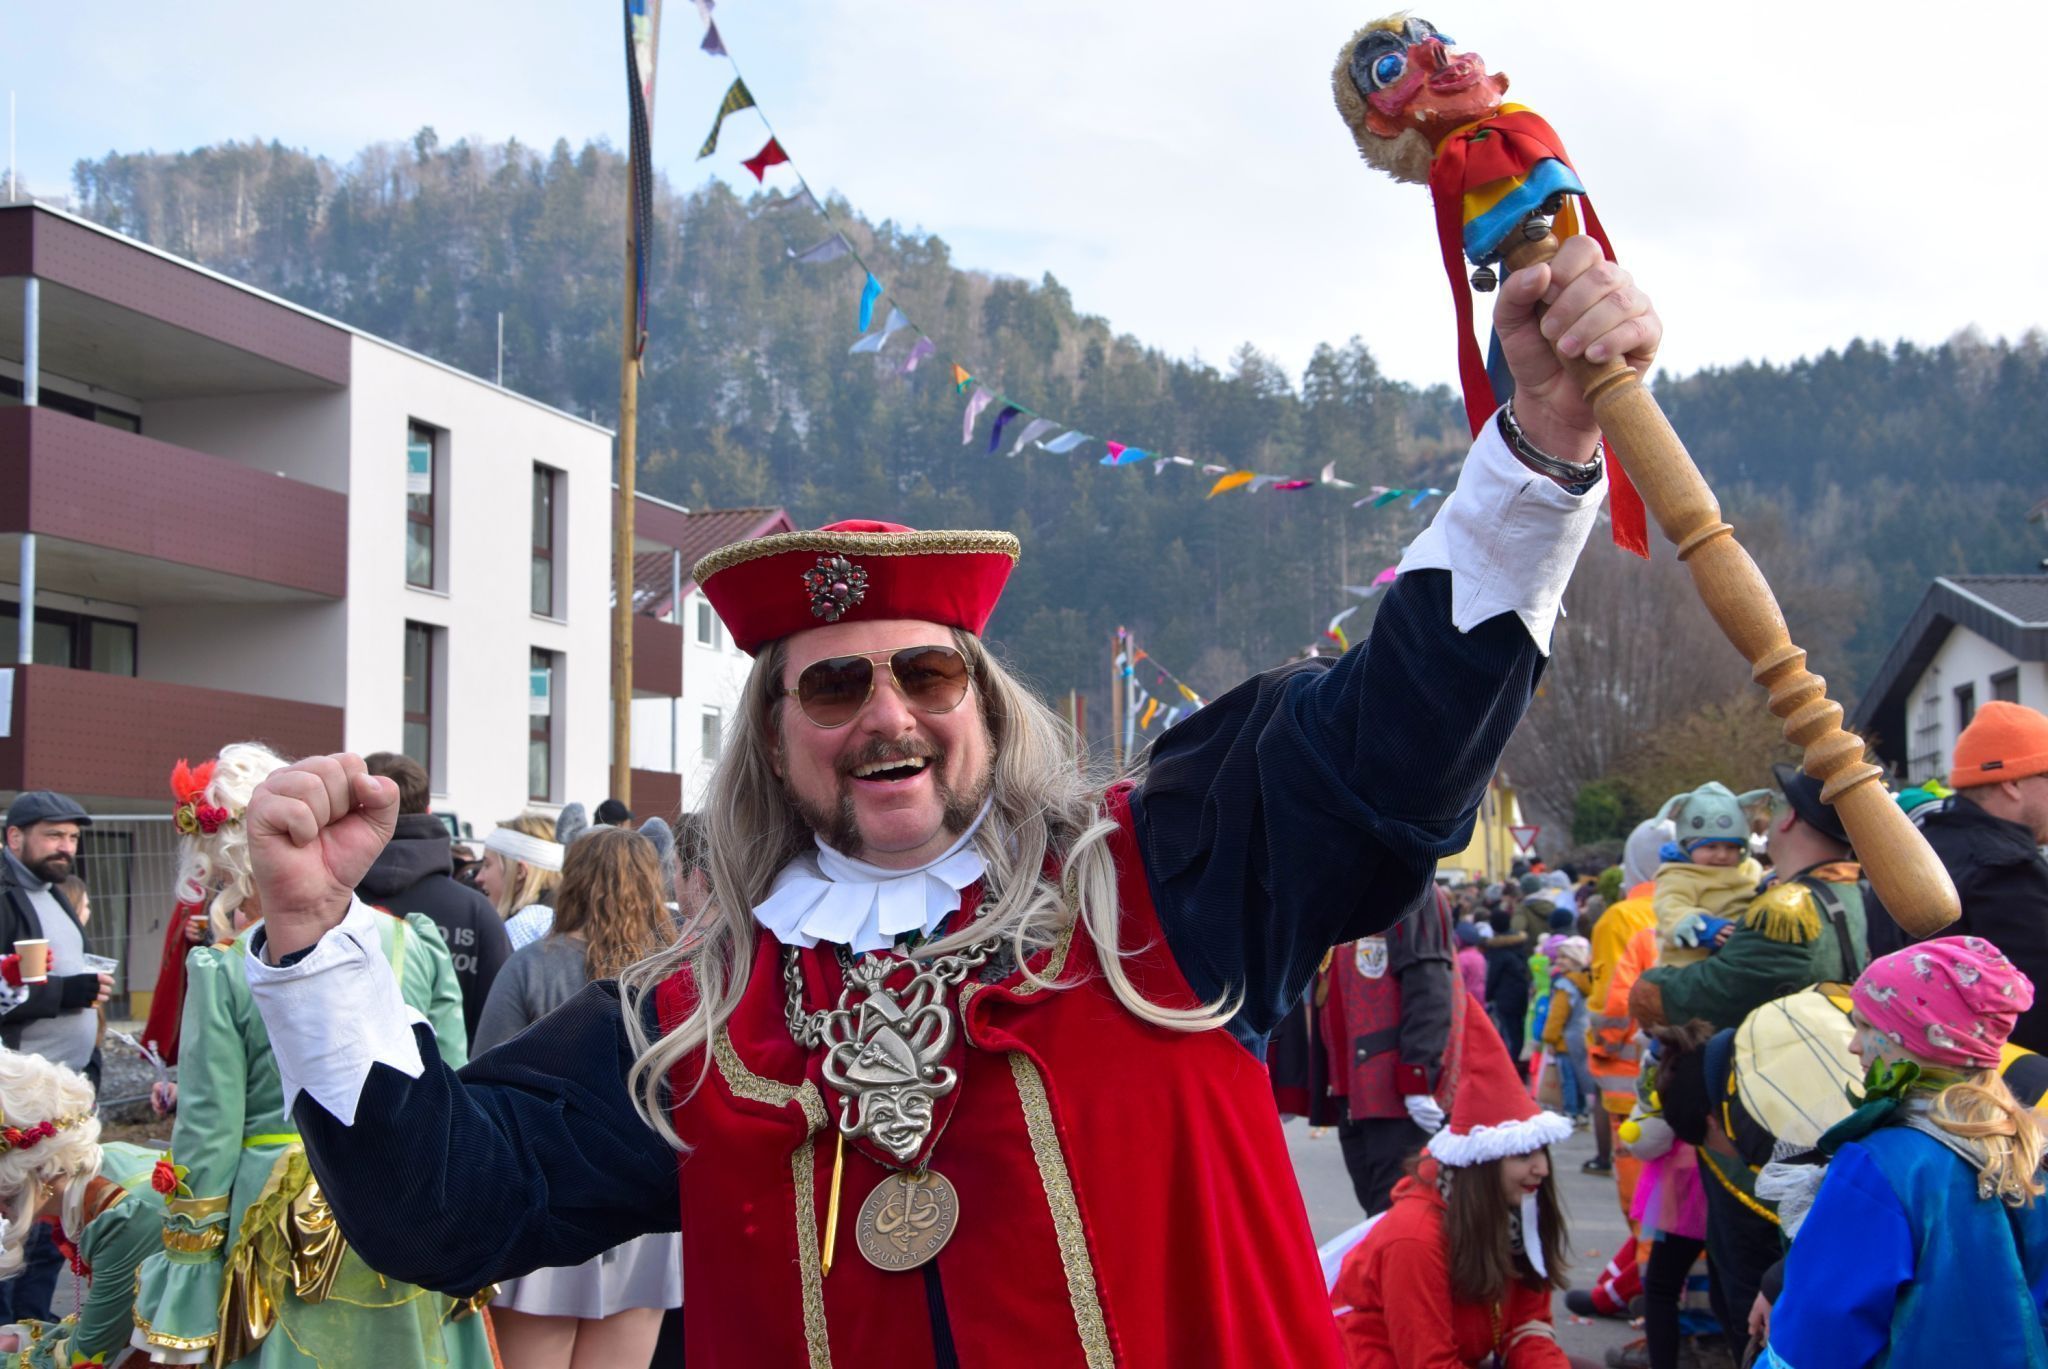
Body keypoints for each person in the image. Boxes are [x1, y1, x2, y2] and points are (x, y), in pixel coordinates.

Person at [236, 235, 1655, 1364]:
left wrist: (1538, 445)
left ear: (983, 704)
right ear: (774, 739)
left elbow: (1390, 741)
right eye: (833, 687)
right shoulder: (693, 1021)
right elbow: (449, 1198)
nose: (886, 716)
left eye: (924, 673)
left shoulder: (1164, 885)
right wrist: (311, 937)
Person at [128, 745, 491, 1369]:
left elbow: (209, 1133)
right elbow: (455, 1091)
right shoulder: (415, 944)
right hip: (405, 1199)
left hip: (275, 1227)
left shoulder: (224, 968)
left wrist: (191, 1266)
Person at [1762, 936, 2048, 1367]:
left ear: (1920, 1039)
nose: (1853, 1045)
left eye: (1868, 1026)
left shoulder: (1880, 1164)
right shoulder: (2026, 1145)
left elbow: (1820, 1330)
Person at [475, 828, 683, 1369]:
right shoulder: (675, 972)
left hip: (547, 1193)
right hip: (644, 1207)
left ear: (574, 881)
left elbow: (486, 1080)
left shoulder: (531, 964)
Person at [1331, 1004, 1575, 1367]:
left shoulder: (1518, 1209)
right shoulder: (1414, 1238)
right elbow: (1429, 1361)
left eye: (1542, 1153)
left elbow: (1528, 1327)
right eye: (1523, 1156)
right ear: (1481, 1164)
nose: (1541, 1168)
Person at [1631, 766, 1869, 1033]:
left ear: (1789, 818)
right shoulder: (1855, 891)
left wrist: (1649, 988)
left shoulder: (1786, 909)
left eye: (1775, 807)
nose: (1722, 855)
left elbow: (1716, 991)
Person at [0, 791, 111, 1326]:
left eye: (72, 837)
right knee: (11, 1222)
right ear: (14, 837)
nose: (65, 847)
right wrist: (70, 992)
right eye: (53, 835)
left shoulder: (55, 894)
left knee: (50, 1220)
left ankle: (33, 1325)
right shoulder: (5, 895)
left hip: (64, 1093)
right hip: (18, 1103)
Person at [0, 1050, 165, 1369]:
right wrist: (20, 1339)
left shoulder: (123, 1216)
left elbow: (88, 1356)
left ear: (32, 1171)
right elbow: (104, 1320)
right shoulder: (105, 1165)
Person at [1898, 702, 2048, 1052]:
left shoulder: (1918, 851)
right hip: (2003, 1079)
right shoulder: (2007, 872)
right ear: (2013, 782)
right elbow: (2036, 1013)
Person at [1323, 890, 1461, 1216]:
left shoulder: (1411, 890)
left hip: (1393, 1090)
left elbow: (1429, 986)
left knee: (1393, 1210)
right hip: (1353, 1089)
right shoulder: (1346, 892)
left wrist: (1417, 1077)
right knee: (1374, 1206)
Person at [358, 752, 512, 1045]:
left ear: (357, 809)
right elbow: (499, 1028)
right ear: (429, 811)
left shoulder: (324, 904)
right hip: (451, 1071)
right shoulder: (476, 912)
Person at [1651, 782, 1765, 966]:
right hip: (1690, 963)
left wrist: (1772, 885)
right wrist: (1699, 925)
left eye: (1731, 847)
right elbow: (1670, 906)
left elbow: (1762, 886)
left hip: (1741, 955)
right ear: (1688, 846)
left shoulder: (1750, 868)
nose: (1722, 855)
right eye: (1711, 847)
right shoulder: (1678, 875)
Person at [481, 814, 564, 951]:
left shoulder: (524, 927)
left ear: (519, 871)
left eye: (487, 865)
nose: (479, 877)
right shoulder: (565, 919)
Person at [1540, 936, 1595, 1123]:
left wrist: (1549, 1038)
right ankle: (1583, 1111)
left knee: (1568, 1078)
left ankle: (1571, 1111)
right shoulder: (1587, 982)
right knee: (1580, 1075)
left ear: (1575, 959)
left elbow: (1557, 1016)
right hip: (1582, 1037)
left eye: (1564, 957)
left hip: (1565, 1040)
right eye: (1559, 957)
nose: (1559, 961)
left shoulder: (1565, 985)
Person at [1486, 908, 1534, 1062]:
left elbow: (1493, 975)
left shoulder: (1497, 950)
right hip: (1522, 992)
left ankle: (1513, 1064)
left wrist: (1488, 994)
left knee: (1509, 1033)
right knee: (1520, 1029)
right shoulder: (1519, 944)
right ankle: (1522, 1061)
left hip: (1505, 996)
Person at [1455, 919, 1489, 1001]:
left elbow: (1457, 982)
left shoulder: (1461, 958)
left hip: (1466, 1000)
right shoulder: (1480, 956)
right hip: (1480, 999)